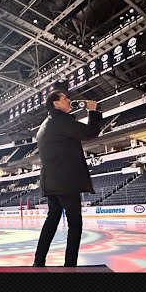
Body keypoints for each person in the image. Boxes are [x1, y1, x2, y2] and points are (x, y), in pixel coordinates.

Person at [33, 90, 103, 267]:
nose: (69, 100)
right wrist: (93, 112)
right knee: (75, 224)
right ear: (56, 104)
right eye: (65, 98)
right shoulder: (60, 120)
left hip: (52, 182)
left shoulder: (46, 124)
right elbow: (90, 132)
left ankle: (38, 262)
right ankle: (69, 266)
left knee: (52, 220)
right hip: (65, 182)